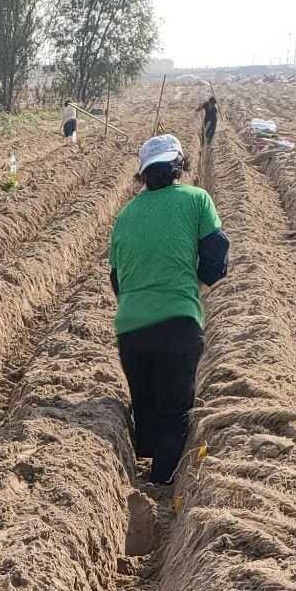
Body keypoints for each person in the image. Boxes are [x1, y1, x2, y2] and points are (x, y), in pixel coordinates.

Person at [108, 135, 229, 488]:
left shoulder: (125, 215)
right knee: (175, 414)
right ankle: (159, 486)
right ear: (179, 167)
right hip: (179, 324)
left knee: (145, 408)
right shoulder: (196, 199)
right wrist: (194, 284)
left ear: (142, 176)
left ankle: (137, 473)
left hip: (131, 330)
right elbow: (215, 259)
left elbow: (117, 278)